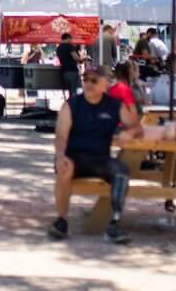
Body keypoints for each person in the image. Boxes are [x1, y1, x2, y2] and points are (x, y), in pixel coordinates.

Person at [50, 64, 141, 244]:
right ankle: (61, 220)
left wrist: (129, 132)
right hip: (73, 157)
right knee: (64, 169)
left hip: (100, 159)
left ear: (105, 83)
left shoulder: (115, 106)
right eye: (85, 79)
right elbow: (61, 136)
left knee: (121, 171)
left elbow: (137, 126)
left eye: (94, 80)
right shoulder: (71, 105)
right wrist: (61, 156)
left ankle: (114, 223)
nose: (88, 84)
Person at [55, 33, 82, 102]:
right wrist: (83, 59)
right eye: (71, 39)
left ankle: (70, 106)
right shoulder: (69, 46)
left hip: (63, 71)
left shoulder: (59, 48)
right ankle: (74, 107)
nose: (71, 40)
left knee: (69, 91)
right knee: (74, 91)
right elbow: (76, 58)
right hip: (72, 70)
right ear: (68, 38)